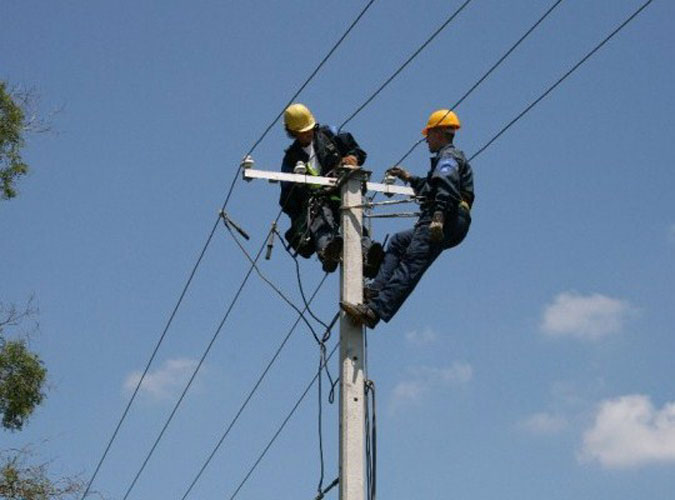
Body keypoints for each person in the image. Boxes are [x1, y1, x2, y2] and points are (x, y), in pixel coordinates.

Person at [341, 109, 474, 328]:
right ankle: (375, 291)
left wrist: (438, 215)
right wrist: (408, 177)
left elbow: (446, 185)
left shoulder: (449, 157)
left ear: (438, 132)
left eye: (428, 134)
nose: (426, 140)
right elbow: (431, 188)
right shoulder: (447, 158)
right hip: (454, 219)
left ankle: (374, 311)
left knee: (412, 262)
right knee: (398, 242)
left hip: (446, 216)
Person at [279, 103, 384, 275]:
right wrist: (300, 215)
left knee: (353, 221)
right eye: (303, 132)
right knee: (321, 221)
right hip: (317, 203)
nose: (308, 133)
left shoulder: (329, 134)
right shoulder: (291, 159)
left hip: (342, 193)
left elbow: (356, 150)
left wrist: (352, 157)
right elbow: (287, 199)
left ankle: (368, 255)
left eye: (309, 129)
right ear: (293, 132)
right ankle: (328, 251)